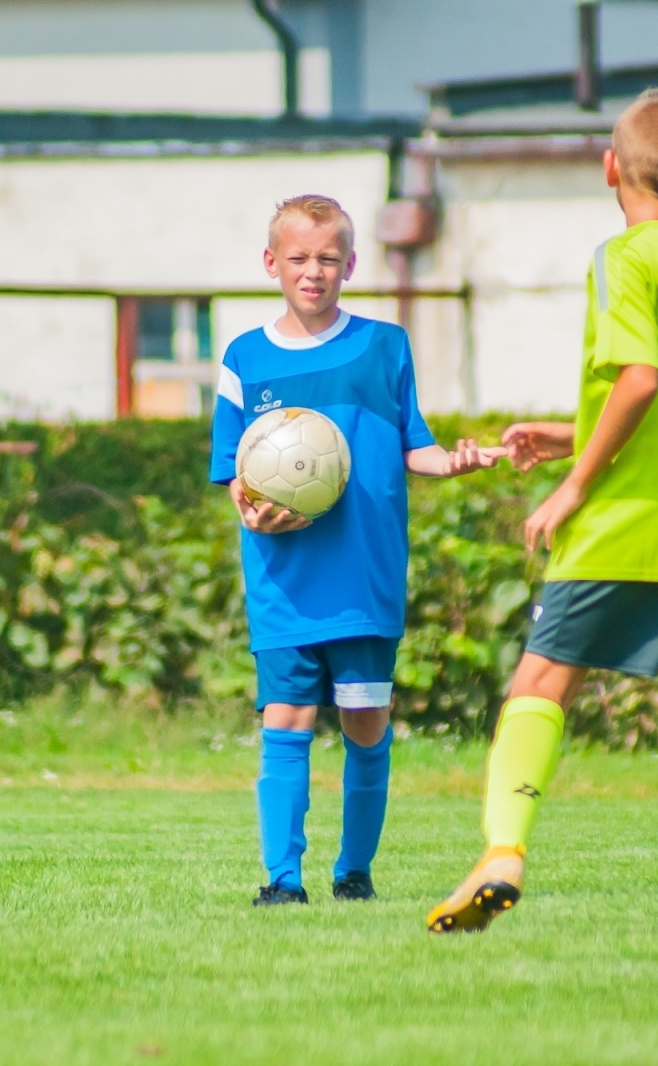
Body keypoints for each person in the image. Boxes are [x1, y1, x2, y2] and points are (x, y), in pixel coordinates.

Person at [426, 89, 658, 940]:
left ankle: (501, 853)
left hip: (631, 517)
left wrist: (573, 486)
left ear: (608, 167)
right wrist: (568, 437)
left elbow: (641, 380)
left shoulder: (623, 258)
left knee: (539, 682)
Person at [210, 194, 502, 906]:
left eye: (329, 259)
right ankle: (283, 879)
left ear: (350, 265)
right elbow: (233, 473)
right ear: (271, 263)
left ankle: (355, 872)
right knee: (286, 719)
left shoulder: (383, 345)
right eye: (300, 259)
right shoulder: (244, 357)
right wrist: (254, 514)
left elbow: (417, 448)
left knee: (365, 719)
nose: (314, 272)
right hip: (283, 580)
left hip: (363, 579)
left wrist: (456, 462)